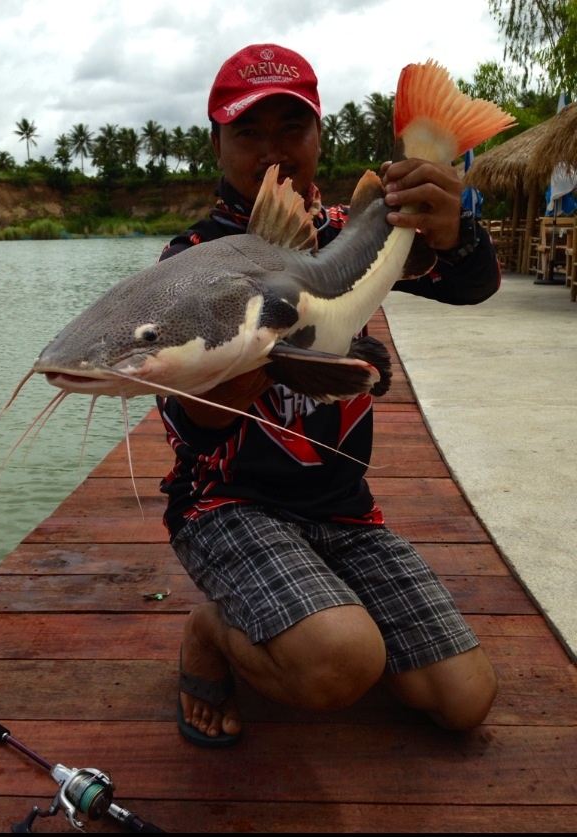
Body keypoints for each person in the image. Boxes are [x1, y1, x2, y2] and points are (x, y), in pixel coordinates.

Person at [155, 43, 500, 748]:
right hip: (228, 505)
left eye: (291, 128)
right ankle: (212, 630)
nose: (271, 151)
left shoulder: (351, 231)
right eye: (248, 132)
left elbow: (471, 284)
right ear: (216, 142)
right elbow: (196, 429)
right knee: (342, 658)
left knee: (465, 699)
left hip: (344, 509)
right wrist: (263, 349)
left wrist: (452, 226)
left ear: (321, 136)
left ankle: (314, 609)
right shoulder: (192, 259)